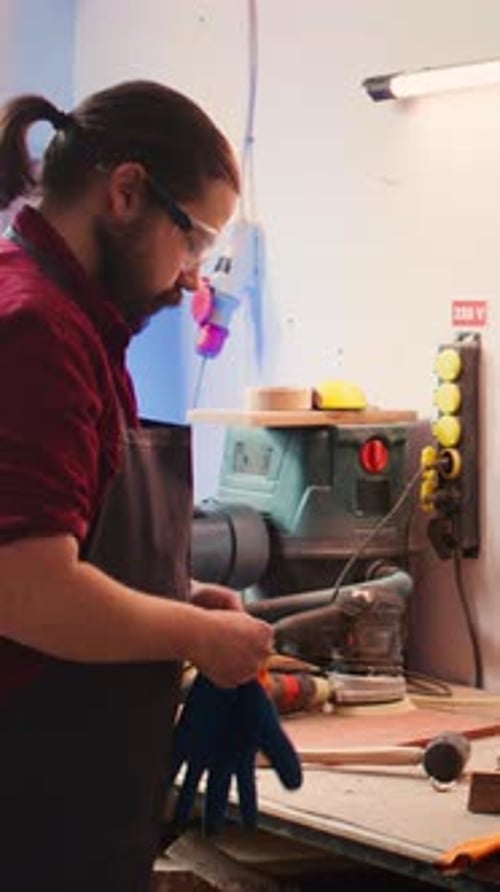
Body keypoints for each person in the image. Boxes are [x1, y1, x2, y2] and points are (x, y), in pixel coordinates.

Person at [0, 80, 276, 891]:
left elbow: (64, 548)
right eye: (194, 242)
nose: (192, 280)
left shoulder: (80, 326)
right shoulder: (35, 330)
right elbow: (25, 591)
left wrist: (175, 597)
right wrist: (193, 637)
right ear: (125, 192)